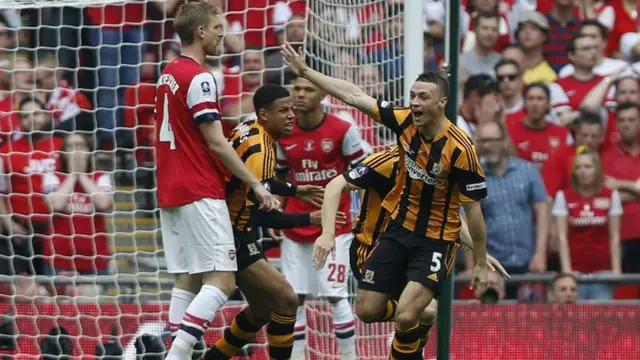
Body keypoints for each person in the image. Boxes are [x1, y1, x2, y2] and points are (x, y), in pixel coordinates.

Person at [281, 43, 490, 358]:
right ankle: (424, 318)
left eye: (423, 97)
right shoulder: (404, 121)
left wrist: (482, 260)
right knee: (366, 310)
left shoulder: (461, 150)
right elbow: (354, 95)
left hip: (436, 240)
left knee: (406, 315)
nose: (415, 103)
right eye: (413, 97)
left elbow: (472, 212)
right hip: (397, 231)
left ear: (442, 102)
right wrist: (307, 71)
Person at [154, 3, 279, 359]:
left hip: (170, 189)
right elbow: (215, 141)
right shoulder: (199, 76)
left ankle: (183, 351)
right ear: (201, 32)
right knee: (222, 280)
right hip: (199, 188)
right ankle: (176, 357)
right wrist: (255, 183)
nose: (224, 34)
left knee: (189, 278)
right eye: (218, 27)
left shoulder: (167, 74)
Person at [313, 145, 509, 353]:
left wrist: (480, 253)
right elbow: (335, 185)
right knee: (368, 311)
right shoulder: (386, 163)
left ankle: (411, 348)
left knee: (424, 311)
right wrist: (328, 232)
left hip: (415, 251)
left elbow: (447, 214)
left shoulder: (439, 166)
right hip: (372, 250)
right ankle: (409, 342)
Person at [205, 85, 343, 360]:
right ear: (264, 114)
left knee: (261, 309)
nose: (292, 115)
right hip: (233, 234)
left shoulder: (250, 129)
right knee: (287, 299)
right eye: (284, 111)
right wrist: (309, 218)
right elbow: (260, 214)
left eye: (292, 108)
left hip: (227, 227)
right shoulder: (262, 152)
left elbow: (260, 182)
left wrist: (293, 190)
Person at [275, 75, 367, 360]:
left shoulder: (342, 129)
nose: (300, 94)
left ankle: (350, 356)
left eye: (308, 89)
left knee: (336, 295)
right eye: (297, 89)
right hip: (295, 228)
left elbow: (363, 175)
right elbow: (280, 176)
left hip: (335, 227)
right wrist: (277, 214)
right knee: (294, 298)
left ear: (322, 94)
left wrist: (365, 217)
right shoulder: (283, 133)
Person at [43, 133, 113, 296]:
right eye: (71, 146)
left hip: (95, 259)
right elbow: (57, 204)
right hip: (59, 258)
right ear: (63, 152)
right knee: (61, 310)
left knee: (92, 312)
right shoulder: (53, 177)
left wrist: (82, 175)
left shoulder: (100, 177)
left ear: (89, 151)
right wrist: (73, 175)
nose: (76, 151)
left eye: (81, 146)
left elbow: (104, 203)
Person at [552, 147, 622, 301]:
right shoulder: (563, 196)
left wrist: (616, 270)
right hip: (575, 272)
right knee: (574, 320)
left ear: (596, 169)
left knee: (601, 321)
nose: (583, 171)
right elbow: (562, 238)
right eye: (578, 167)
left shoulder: (611, 195)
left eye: (587, 167)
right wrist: (567, 271)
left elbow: (614, 236)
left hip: (603, 271)